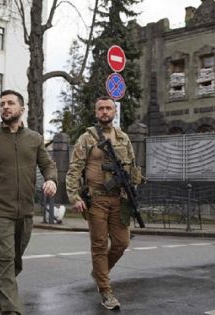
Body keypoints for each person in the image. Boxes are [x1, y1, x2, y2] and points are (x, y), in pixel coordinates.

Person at [0, 89, 57, 315]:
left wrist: (51, 180)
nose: (5, 107)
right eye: (2, 103)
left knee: (15, 261)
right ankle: (10, 310)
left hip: (25, 210)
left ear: (22, 109)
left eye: (10, 103)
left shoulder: (34, 139)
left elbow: (48, 164)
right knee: (5, 258)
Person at [65, 96, 142, 310]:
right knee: (99, 245)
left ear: (114, 112)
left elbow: (133, 167)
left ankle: (100, 272)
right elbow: (74, 170)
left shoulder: (124, 138)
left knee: (122, 242)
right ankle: (105, 290)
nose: (105, 112)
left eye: (109, 108)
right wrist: (75, 196)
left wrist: (134, 189)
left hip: (120, 199)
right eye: (101, 109)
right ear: (96, 112)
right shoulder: (87, 138)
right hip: (97, 199)